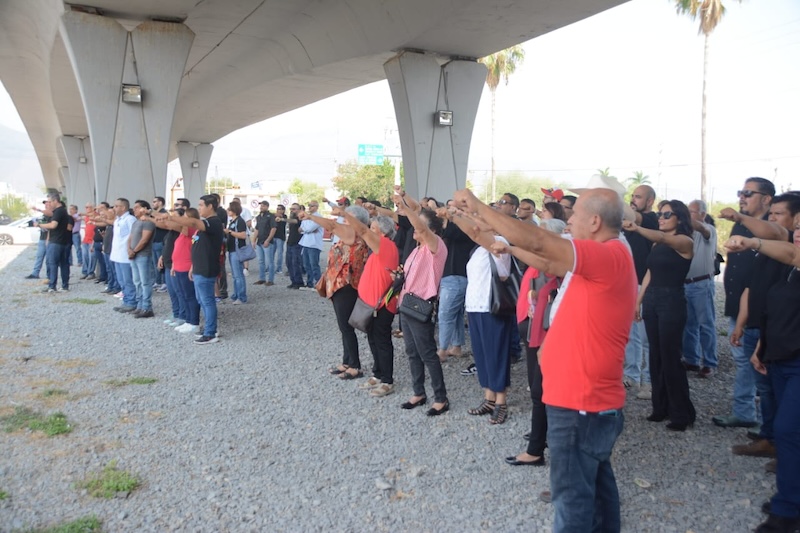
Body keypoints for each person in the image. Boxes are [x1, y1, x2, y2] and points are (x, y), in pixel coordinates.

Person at [452, 186, 635, 532]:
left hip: (581, 402)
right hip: (582, 400)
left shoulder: (608, 254)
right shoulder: (604, 255)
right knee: (596, 491)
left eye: (575, 214)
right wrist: (492, 232)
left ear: (595, 221)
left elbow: (538, 242)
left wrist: (478, 205)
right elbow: (546, 260)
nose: (570, 219)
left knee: (572, 500)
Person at [725, 221, 800, 533]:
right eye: (799, 226)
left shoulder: (791, 258)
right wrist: (761, 347)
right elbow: (774, 310)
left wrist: (753, 242)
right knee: (790, 433)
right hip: (780, 359)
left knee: (786, 430)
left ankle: (786, 511)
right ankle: (791, 496)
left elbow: (792, 253)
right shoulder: (788, 269)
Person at [625, 200, 696, 431]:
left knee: (670, 356)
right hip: (652, 300)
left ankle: (681, 413)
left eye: (667, 214)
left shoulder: (684, 241)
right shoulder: (657, 244)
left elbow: (664, 238)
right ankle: (660, 407)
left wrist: (637, 228)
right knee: (655, 355)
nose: (661, 218)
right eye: (660, 214)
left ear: (680, 218)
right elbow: (650, 273)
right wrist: (639, 301)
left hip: (672, 301)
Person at [446, 205, 515, 424]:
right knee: (482, 354)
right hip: (476, 306)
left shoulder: (499, 242)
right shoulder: (478, 249)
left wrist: (455, 216)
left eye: (482, 220)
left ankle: (501, 401)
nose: (476, 224)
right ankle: (489, 397)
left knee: (496, 353)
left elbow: (474, 233)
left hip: (491, 306)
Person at [716, 177, 776, 428]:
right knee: (743, 361)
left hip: (761, 309)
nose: (742, 197)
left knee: (763, 363)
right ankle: (745, 412)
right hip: (738, 305)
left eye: (748, 193)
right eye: (740, 192)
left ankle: (768, 424)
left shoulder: (773, 228)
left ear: (766, 199)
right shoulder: (739, 226)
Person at [394, 192, 449, 416]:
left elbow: (421, 228)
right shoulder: (417, 249)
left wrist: (406, 208)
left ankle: (441, 398)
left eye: (420, 225)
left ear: (431, 230)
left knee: (427, 353)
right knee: (411, 351)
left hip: (421, 305)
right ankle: (419, 392)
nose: (415, 228)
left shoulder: (436, 247)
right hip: (407, 303)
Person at [340, 211, 399, 397]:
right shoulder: (378, 248)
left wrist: (344, 214)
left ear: (383, 232)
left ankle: (387, 380)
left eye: (374, 228)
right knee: (373, 339)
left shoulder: (386, 245)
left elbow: (363, 232)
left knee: (382, 341)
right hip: (371, 304)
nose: (369, 231)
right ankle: (378, 374)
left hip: (382, 305)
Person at [312, 205, 370, 380]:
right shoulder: (351, 235)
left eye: (348, 217)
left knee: (346, 327)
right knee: (343, 327)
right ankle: (347, 361)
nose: (344, 220)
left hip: (347, 285)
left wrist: (309, 216)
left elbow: (331, 226)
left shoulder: (355, 235)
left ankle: (355, 366)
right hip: (339, 285)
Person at [158, 194, 224, 344]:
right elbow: (197, 244)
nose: (199, 208)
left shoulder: (213, 222)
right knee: (201, 299)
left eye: (201, 205)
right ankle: (210, 328)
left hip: (206, 268)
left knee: (207, 300)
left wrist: (171, 217)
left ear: (210, 206)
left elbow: (193, 222)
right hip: (199, 267)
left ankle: (210, 333)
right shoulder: (203, 226)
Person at [623, 184, 658, 398]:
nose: (633, 199)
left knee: (645, 336)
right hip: (627, 283)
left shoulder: (652, 220)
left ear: (650, 201)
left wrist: (612, 199)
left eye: (638, 196)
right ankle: (632, 375)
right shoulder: (627, 224)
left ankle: (649, 382)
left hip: (643, 285)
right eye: (632, 196)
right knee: (630, 333)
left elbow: (635, 216)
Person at [682, 199, 718, 377]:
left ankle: (709, 362)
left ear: (703, 214)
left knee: (706, 324)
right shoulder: (685, 232)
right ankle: (692, 360)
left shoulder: (708, 229)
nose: (688, 215)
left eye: (692, 212)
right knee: (688, 325)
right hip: (685, 283)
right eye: (687, 211)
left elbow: (702, 229)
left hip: (701, 284)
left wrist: (683, 217)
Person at [172, 205, 202, 335]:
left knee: (190, 295)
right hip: (179, 266)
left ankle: (194, 322)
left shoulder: (192, 230)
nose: (183, 220)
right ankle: (188, 320)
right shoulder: (184, 231)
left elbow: (194, 250)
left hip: (186, 267)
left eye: (185, 217)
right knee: (184, 295)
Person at [127, 200, 156, 318]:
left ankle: (147, 307)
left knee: (145, 282)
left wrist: (134, 251)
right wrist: (129, 249)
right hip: (134, 255)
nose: (134, 209)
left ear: (144, 209)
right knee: (137, 282)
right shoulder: (136, 222)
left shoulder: (148, 222)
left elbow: (144, 240)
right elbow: (130, 238)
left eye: (137, 207)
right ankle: (139, 305)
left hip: (143, 255)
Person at [39, 193, 72, 293]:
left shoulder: (58, 211)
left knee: (53, 264)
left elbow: (53, 225)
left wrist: (39, 225)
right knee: (64, 264)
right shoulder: (63, 211)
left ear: (55, 201)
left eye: (50, 202)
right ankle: (64, 286)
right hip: (63, 242)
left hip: (56, 242)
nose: (49, 204)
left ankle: (52, 286)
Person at [110, 198, 137, 311]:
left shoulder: (130, 219)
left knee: (128, 280)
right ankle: (126, 300)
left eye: (116, 206)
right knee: (121, 280)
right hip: (117, 254)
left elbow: (134, 235)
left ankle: (132, 302)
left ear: (123, 207)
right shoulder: (117, 220)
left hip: (125, 256)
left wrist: (131, 250)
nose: (114, 208)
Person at [224, 201, 249, 304]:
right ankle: (236, 294)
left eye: (229, 209)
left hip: (237, 250)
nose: (228, 210)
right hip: (232, 250)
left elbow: (243, 235)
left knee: (238, 275)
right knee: (235, 275)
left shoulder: (240, 221)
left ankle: (241, 296)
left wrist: (230, 232)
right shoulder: (232, 221)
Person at [299, 200, 323, 289]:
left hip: (314, 244)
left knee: (314, 265)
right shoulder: (306, 216)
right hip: (306, 243)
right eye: (309, 205)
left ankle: (318, 284)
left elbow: (309, 228)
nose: (310, 207)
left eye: (312, 206)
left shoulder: (318, 217)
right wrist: (307, 229)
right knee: (306, 265)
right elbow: (301, 228)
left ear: (317, 207)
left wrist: (306, 229)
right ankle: (309, 283)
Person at [252, 200, 277, 286]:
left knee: (270, 261)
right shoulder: (259, 217)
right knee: (260, 261)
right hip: (259, 241)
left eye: (263, 206)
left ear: (267, 207)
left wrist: (268, 240)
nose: (261, 207)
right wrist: (253, 240)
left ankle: (270, 279)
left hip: (267, 242)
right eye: (261, 206)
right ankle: (262, 278)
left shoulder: (271, 216)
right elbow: (257, 229)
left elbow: (273, 228)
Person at [151, 196, 168, 292]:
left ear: (160, 203)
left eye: (155, 202)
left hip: (161, 241)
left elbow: (164, 225)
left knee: (162, 263)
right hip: (154, 241)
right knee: (155, 263)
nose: (153, 203)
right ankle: (158, 281)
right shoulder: (154, 214)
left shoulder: (164, 213)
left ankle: (164, 282)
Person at [285, 203, 305, 289]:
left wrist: (283, 219)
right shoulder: (292, 218)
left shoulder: (301, 218)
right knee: (289, 263)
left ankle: (299, 282)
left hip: (297, 243)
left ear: (299, 210)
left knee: (295, 263)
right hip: (290, 242)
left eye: (294, 209)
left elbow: (295, 221)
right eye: (291, 209)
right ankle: (293, 281)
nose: (292, 210)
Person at [80, 203, 96, 280]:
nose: (86, 209)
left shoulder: (95, 215)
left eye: (88, 207)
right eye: (86, 207)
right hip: (85, 239)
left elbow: (93, 215)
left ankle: (91, 272)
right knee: (85, 256)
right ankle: (85, 272)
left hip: (92, 240)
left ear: (92, 208)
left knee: (91, 257)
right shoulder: (86, 217)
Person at [273, 204, 287, 275]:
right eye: (277, 209)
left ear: (283, 210)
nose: (278, 210)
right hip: (273, 236)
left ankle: (279, 268)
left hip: (280, 237)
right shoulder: (273, 216)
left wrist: (278, 216)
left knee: (279, 253)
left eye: (279, 209)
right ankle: (270, 267)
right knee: (271, 253)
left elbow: (281, 218)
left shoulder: (284, 217)